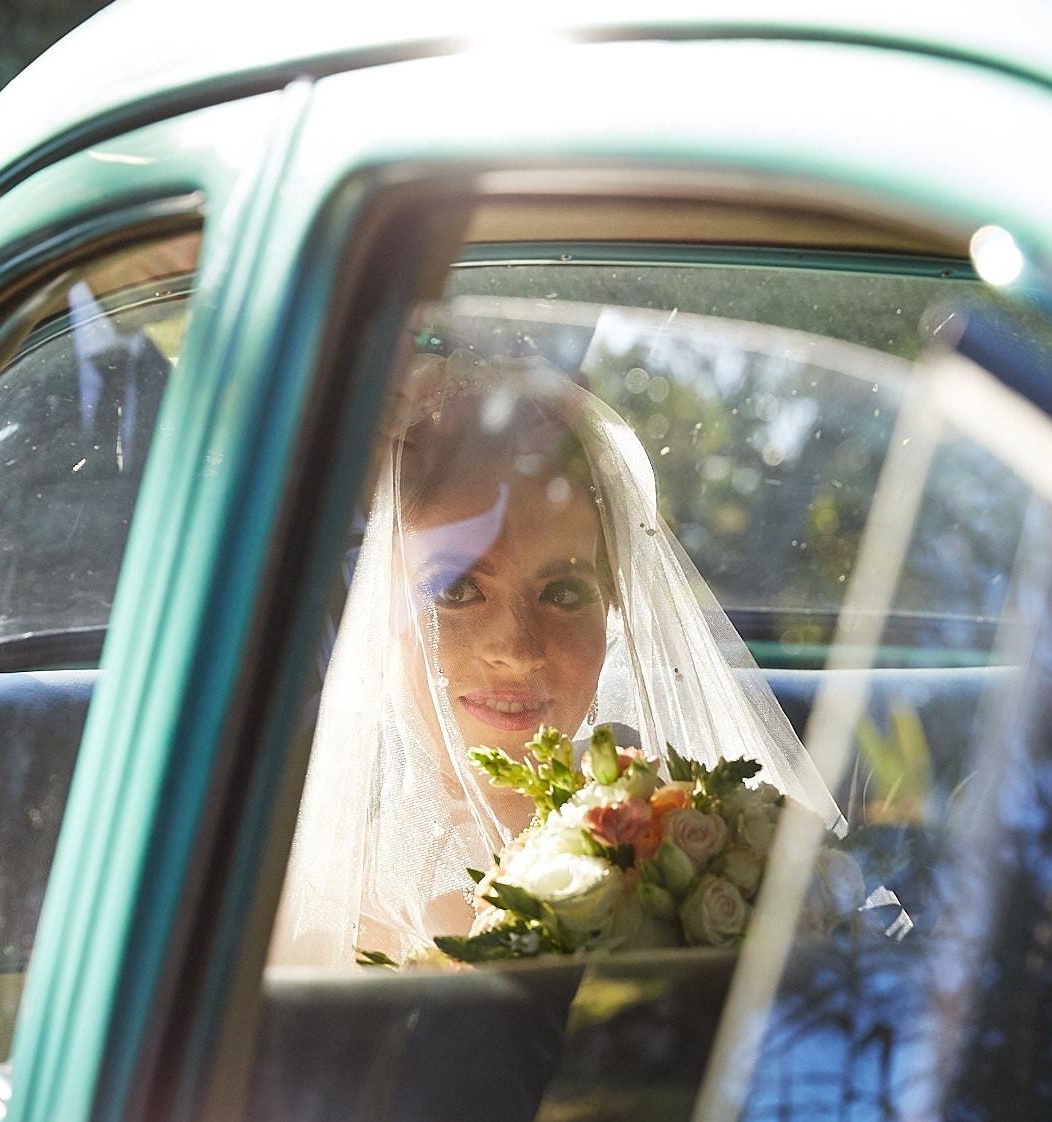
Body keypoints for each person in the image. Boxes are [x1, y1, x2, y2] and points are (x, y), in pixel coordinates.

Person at [272, 338, 841, 970]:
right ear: (383, 612)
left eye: (564, 591)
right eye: (457, 590)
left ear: (612, 610)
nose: (516, 650)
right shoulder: (325, 906)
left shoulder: (697, 832)